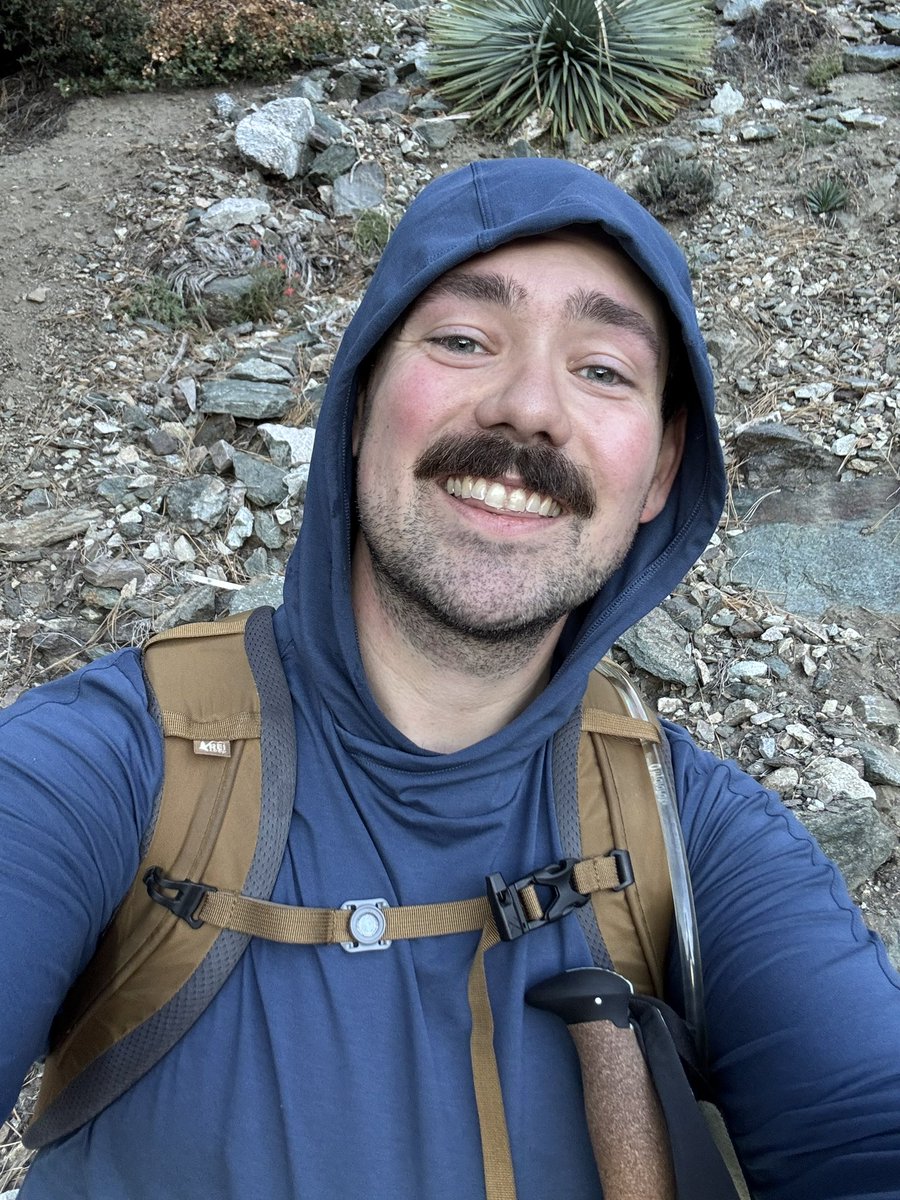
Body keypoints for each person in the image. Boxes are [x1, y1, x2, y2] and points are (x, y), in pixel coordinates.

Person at [1, 158, 899, 1200]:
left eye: (604, 370)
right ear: (356, 405)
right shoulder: (100, 768)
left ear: (660, 470)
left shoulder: (702, 842)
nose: (529, 409)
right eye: (464, 340)